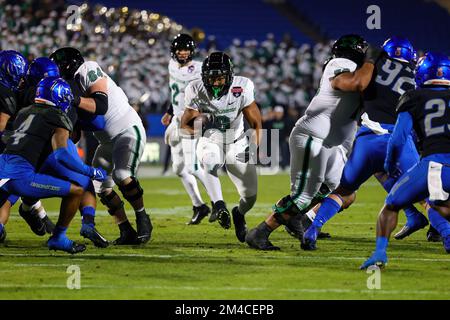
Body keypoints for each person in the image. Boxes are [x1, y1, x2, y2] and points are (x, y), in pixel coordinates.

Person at [300, 36, 432, 251]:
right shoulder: (418, 75)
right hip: (401, 137)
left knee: (344, 190)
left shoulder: (372, 65)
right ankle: (440, 230)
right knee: (424, 190)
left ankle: (313, 228)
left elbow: (358, 83)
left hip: (369, 136)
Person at [245, 34, 375, 250]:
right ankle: (261, 232)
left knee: (344, 192)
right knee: (303, 196)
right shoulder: (341, 64)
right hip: (312, 136)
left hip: (330, 143)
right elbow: (355, 82)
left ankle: (302, 219)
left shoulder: (357, 70)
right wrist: (371, 62)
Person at [50, 47, 152, 245]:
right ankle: (126, 229)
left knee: (123, 175)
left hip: (127, 130)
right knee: (100, 186)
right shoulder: (67, 88)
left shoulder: (87, 68)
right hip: (105, 141)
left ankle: (142, 217)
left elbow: (101, 104)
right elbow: (76, 134)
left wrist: (73, 100)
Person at [361, 52, 450, 269]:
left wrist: (390, 164)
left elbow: (398, 138)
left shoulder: (414, 97)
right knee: (441, 205)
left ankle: (379, 254)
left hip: (436, 165)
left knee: (392, 204)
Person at [0, 77, 106, 253]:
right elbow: (62, 155)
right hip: (20, 176)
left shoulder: (25, 112)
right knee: (76, 191)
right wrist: (90, 170)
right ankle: (58, 238)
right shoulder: (57, 116)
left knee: (7, 198)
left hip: (3, 167)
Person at [180, 52, 262, 242]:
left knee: (250, 197)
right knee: (209, 162)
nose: (216, 83)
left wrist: (254, 146)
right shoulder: (195, 89)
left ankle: (239, 213)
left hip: (238, 141)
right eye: (211, 78)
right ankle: (219, 205)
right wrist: (201, 128)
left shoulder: (243, 86)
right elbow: (184, 126)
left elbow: (256, 123)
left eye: (220, 78)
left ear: (230, 76)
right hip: (211, 140)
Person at [162, 33, 219, 225]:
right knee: (178, 168)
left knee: (193, 167)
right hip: (176, 118)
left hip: (191, 119)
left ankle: (218, 203)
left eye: (187, 50)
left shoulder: (199, 68)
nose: (184, 54)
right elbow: (175, 92)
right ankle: (199, 206)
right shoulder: (171, 65)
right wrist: (169, 111)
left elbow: (207, 94)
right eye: (180, 50)